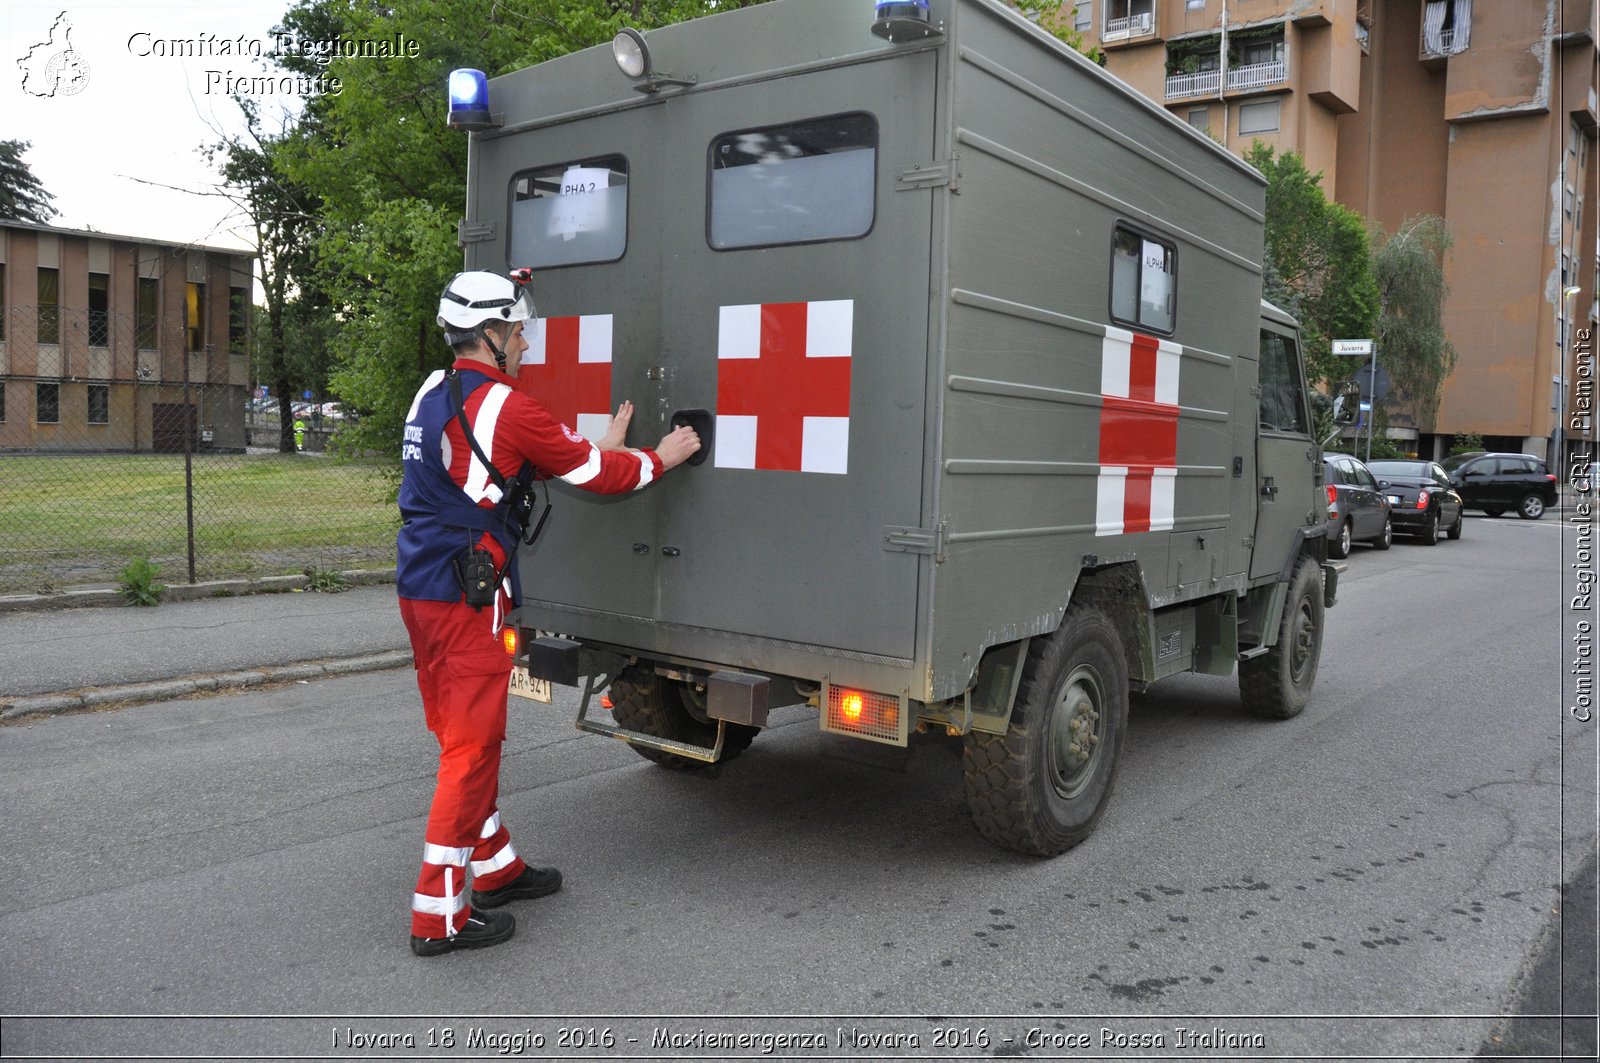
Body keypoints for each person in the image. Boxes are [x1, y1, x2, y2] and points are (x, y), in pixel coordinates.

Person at [397, 269, 700, 956]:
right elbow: (597, 474)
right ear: (490, 335)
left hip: (420, 587)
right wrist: (662, 455)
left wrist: (599, 441)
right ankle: (437, 915)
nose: (526, 342)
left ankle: (495, 866)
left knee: (462, 736)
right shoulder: (508, 404)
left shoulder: (430, 391)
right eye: (518, 331)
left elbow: (495, 465)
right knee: (471, 747)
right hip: (469, 596)